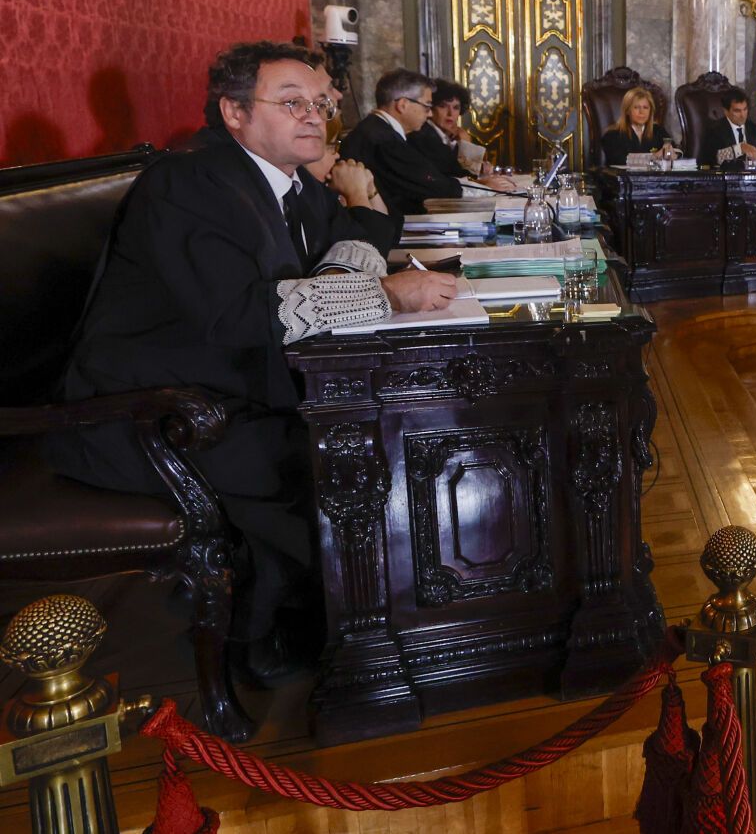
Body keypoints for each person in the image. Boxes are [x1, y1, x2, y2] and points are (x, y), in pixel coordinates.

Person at [49, 41, 459, 680]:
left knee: (381, 433)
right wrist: (377, 294)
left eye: (318, 104)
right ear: (234, 113)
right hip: (143, 413)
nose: (313, 117)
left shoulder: (287, 185)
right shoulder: (190, 183)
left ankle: (388, 623)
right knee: (323, 457)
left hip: (226, 389)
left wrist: (364, 282)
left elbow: (349, 244)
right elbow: (242, 313)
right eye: (291, 103)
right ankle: (284, 643)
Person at [341, 70, 505, 215]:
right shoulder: (383, 138)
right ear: (403, 105)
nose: (428, 115)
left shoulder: (380, 130)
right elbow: (430, 184)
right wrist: (487, 190)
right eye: (427, 107)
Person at [702, 87, 756, 171]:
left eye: (745, 109)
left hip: (753, 179)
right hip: (726, 179)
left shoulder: (755, 130)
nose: (743, 115)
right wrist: (739, 149)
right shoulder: (714, 131)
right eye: (737, 111)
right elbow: (710, 159)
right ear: (726, 111)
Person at [599, 86, 671, 164]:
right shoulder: (612, 135)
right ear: (627, 111)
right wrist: (654, 157)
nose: (641, 112)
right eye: (636, 107)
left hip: (655, 176)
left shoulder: (658, 130)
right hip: (625, 176)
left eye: (645, 107)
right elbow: (619, 160)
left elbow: (676, 150)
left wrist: (672, 153)